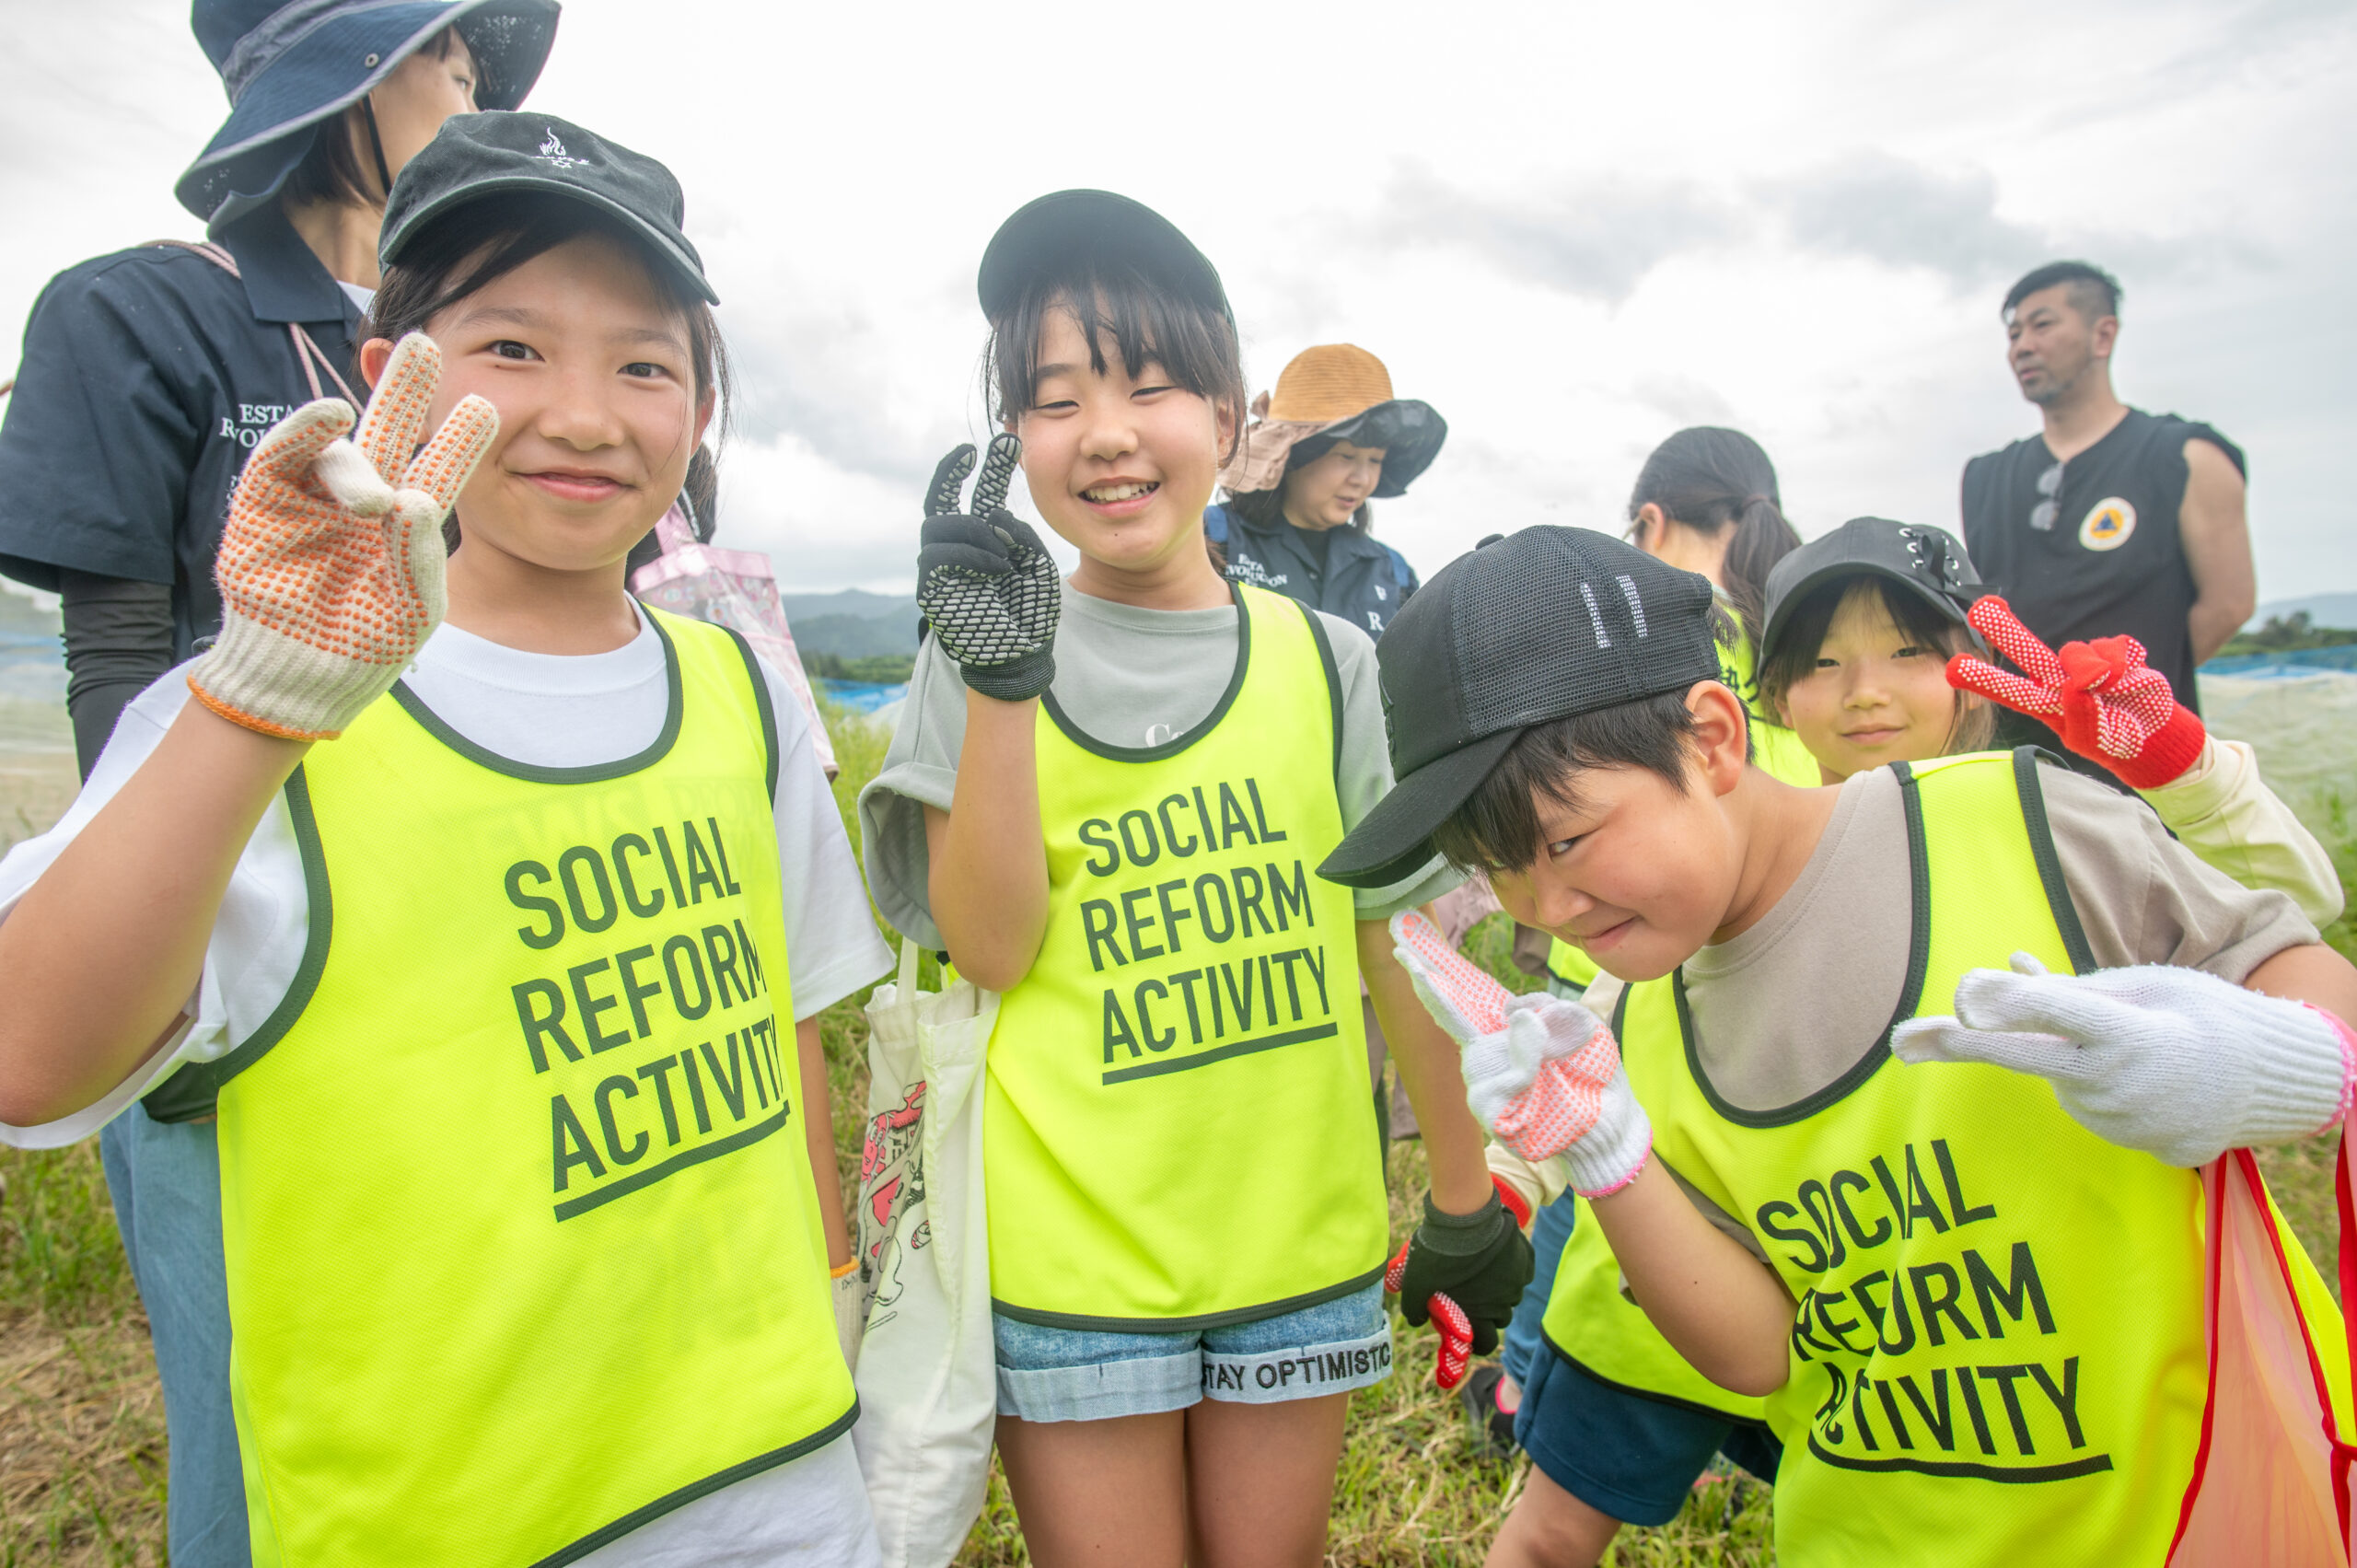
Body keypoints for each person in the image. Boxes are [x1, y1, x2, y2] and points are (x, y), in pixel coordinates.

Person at [0, 114, 888, 1565]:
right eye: (513, 349)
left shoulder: (743, 695)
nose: (588, 415)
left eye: (646, 363)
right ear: (387, 380)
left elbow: (780, 1023)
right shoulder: (265, 706)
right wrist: (257, 706)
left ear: (702, 405)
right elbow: (32, 1059)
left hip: (777, 1471)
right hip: (442, 1511)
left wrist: (838, 1296)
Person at [1324, 525, 2356, 1565]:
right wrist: (1607, 1157)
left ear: (1715, 737)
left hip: (2191, 1513)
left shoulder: (2015, 823)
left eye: (1564, 841)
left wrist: (2263, 1061)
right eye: (1496, 869)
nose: (1542, 903)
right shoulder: (1635, 1031)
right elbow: (1758, 1352)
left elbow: (2299, 962)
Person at [856, 190, 1526, 1568]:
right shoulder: (968, 663)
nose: (1105, 430)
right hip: (1073, 1268)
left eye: (1150, 384)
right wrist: (998, 687)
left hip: (1300, 1250)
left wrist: (1462, 1191)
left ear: (1229, 424)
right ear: (1016, 442)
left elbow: (1398, 940)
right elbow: (990, 947)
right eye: (1053, 398)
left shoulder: (1328, 661)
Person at [0, 6, 554, 1561]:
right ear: (357, 79)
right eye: (457, 59)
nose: (480, 91)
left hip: (460, 942)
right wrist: (164, 980)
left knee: (466, 1393)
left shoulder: (494, 340)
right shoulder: (152, 315)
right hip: (246, 965)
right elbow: (114, 667)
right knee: (261, 1424)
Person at [1469, 427, 1820, 1493]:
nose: (1546, 901)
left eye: (1566, 841)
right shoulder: (1789, 637)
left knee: (1613, 1184)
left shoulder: (1656, 651)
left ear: (1653, 525)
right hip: (1789, 1005)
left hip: (1672, 980)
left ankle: (1524, 1377)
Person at [1756, 516, 2343, 928]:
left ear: (1981, 676)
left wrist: (2190, 777)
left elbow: (2295, 911)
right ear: (1781, 698)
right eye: (1823, 661)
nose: (1865, 693)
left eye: (1908, 652)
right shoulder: (1761, 862)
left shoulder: (2053, 818)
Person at [1961, 261, 2256, 772]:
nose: (2022, 345)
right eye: (2013, 333)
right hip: (2013, 763)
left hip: (2139, 764)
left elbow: (2229, 605)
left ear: (2103, 335)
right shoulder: (1986, 476)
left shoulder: (2186, 457)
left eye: (2043, 324)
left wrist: (2121, 695)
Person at [1203, 342, 1445, 641]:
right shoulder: (1208, 539)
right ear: (1293, 457)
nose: (1362, 478)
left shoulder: (1393, 572)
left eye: (1375, 460)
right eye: (1346, 456)